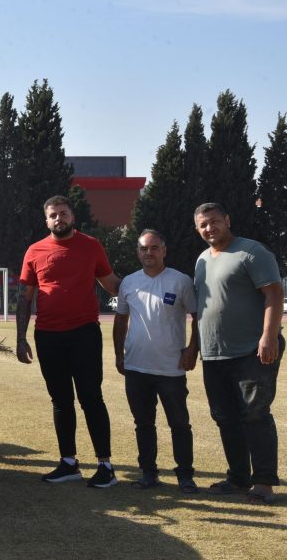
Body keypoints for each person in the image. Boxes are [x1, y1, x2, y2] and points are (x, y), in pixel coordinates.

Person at [16, 195, 121, 488]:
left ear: (72, 217)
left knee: (91, 397)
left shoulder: (91, 246)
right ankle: (68, 463)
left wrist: (144, 285)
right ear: (46, 220)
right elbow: (25, 298)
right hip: (48, 336)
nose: (58, 219)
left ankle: (105, 466)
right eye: (53, 215)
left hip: (84, 334)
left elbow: (112, 284)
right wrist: (21, 338)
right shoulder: (34, 250)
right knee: (61, 401)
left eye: (63, 213)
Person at [193, 203, 283, 504]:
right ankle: (238, 477)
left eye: (215, 221)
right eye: (203, 224)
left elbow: (274, 293)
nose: (210, 228)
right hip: (215, 354)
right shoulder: (202, 260)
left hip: (251, 350)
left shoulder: (252, 251)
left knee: (255, 415)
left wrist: (269, 336)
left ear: (227, 220)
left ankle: (264, 483)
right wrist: (195, 347)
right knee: (225, 417)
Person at [113, 229, 199, 493]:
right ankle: (148, 473)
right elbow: (120, 320)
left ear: (164, 250)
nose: (148, 252)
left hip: (171, 368)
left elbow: (197, 317)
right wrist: (119, 354)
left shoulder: (181, 281)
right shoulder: (129, 282)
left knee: (179, 424)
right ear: (138, 252)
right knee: (143, 424)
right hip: (136, 367)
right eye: (143, 248)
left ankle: (185, 476)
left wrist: (192, 349)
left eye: (153, 248)